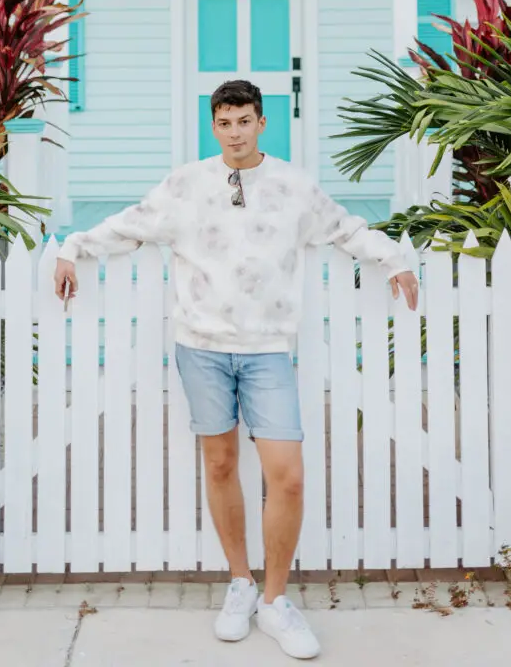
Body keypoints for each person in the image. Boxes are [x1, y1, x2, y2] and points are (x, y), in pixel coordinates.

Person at [54, 79, 418, 660]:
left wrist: (394, 259)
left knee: (288, 475)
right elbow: (131, 224)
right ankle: (241, 583)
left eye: (244, 121)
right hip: (200, 346)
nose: (235, 132)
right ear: (214, 126)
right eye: (224, 123)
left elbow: (345, 228)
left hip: (268, 349)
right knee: (221, 462)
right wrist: (73, 248)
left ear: (262, 122)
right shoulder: (187, 184)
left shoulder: (293, 186)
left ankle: (276, 602)